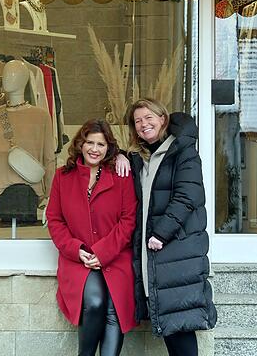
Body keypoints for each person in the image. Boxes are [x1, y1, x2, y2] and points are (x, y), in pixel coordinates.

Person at [125, 98, 217, 355]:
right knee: (171, 323)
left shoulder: (182, 151)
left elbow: (188, 195)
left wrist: (161, 233)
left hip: (176, 249)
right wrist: (120, 157)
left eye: (148, 117)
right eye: (138, 121)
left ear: (163, 118)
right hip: (156, 252)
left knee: (180, 326)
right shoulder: (143, 156)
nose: (144, 124)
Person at [46, 119, 138, 356]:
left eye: (101, 144)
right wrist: (75, 249)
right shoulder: (62, 177)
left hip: (115, 257)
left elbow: (128, 220)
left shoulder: (121, 175)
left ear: (109, 148)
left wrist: (104, 252)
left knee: (114, 308)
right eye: (90, 142)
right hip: (79, 259)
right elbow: (55, 220)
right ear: (80, 144)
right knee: (95, 302)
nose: (95, 149)